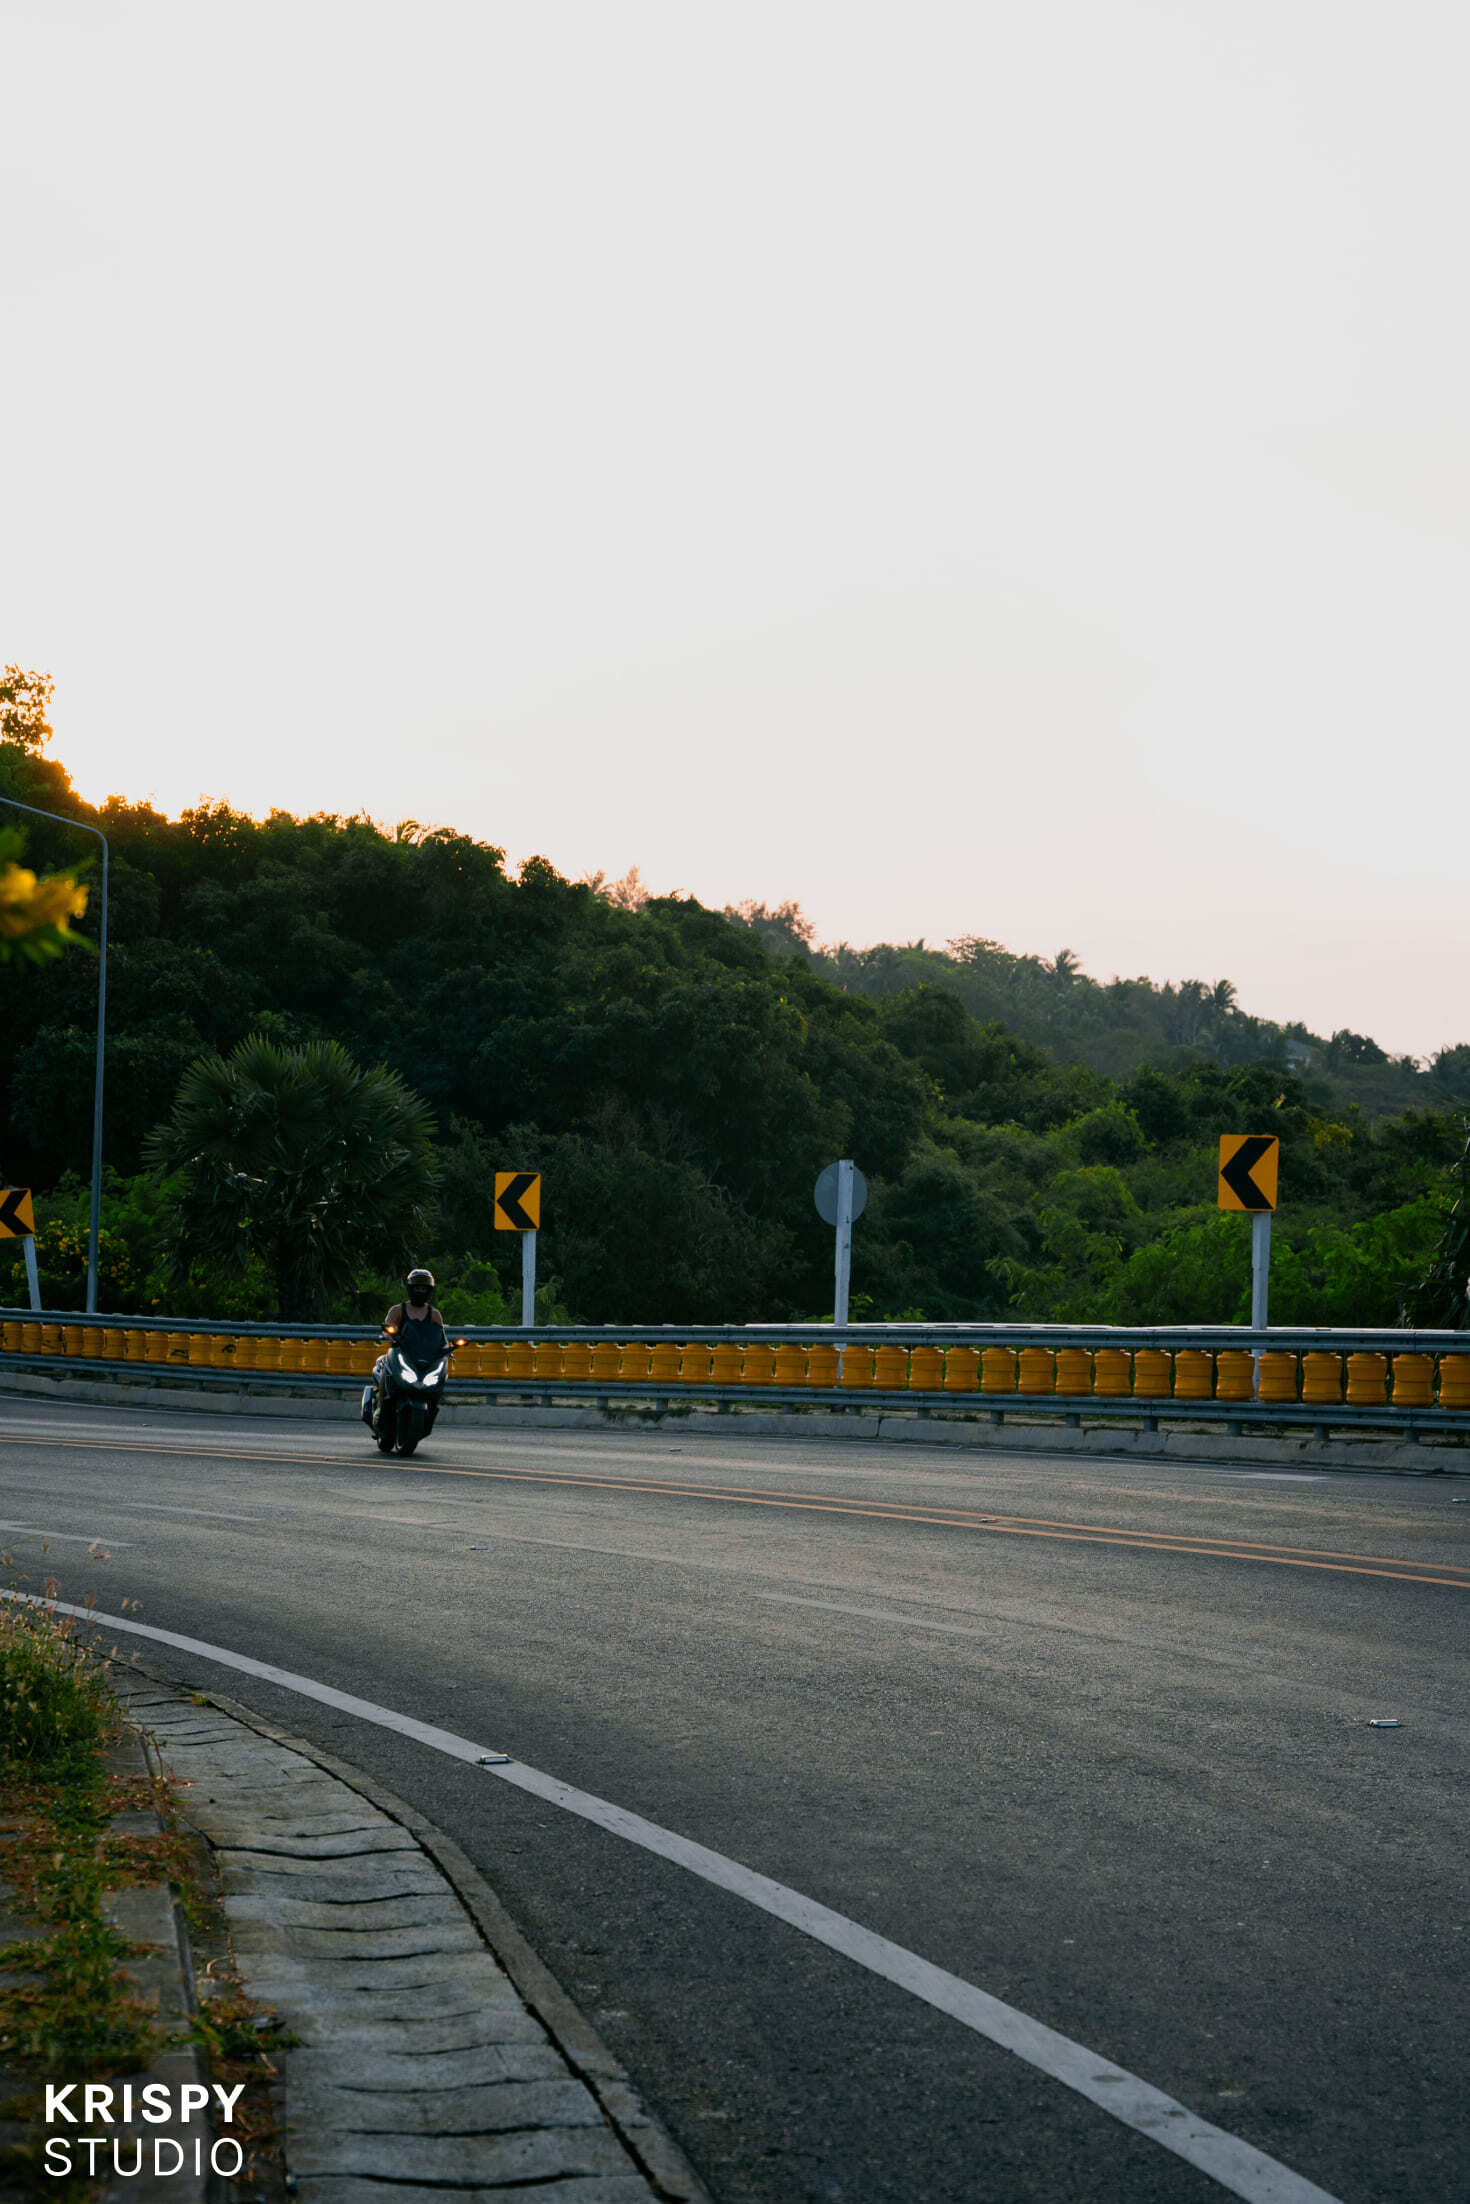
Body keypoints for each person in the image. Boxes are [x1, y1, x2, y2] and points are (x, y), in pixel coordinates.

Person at [376, 1268, 447, 1411]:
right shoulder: (397, 1310)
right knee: (385, 1370)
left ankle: (433, 1404)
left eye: (423, 1288)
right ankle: (380, 1406)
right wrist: (389, 1336)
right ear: (410, 1289)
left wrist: (446, 1349)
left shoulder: (434, 1314)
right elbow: (388, 1328)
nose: (420, 1291)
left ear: (429, 1290)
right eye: (417, 1288)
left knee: (440, 1372)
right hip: (400, 1353)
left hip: (424, 1356)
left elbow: (441, 1337)